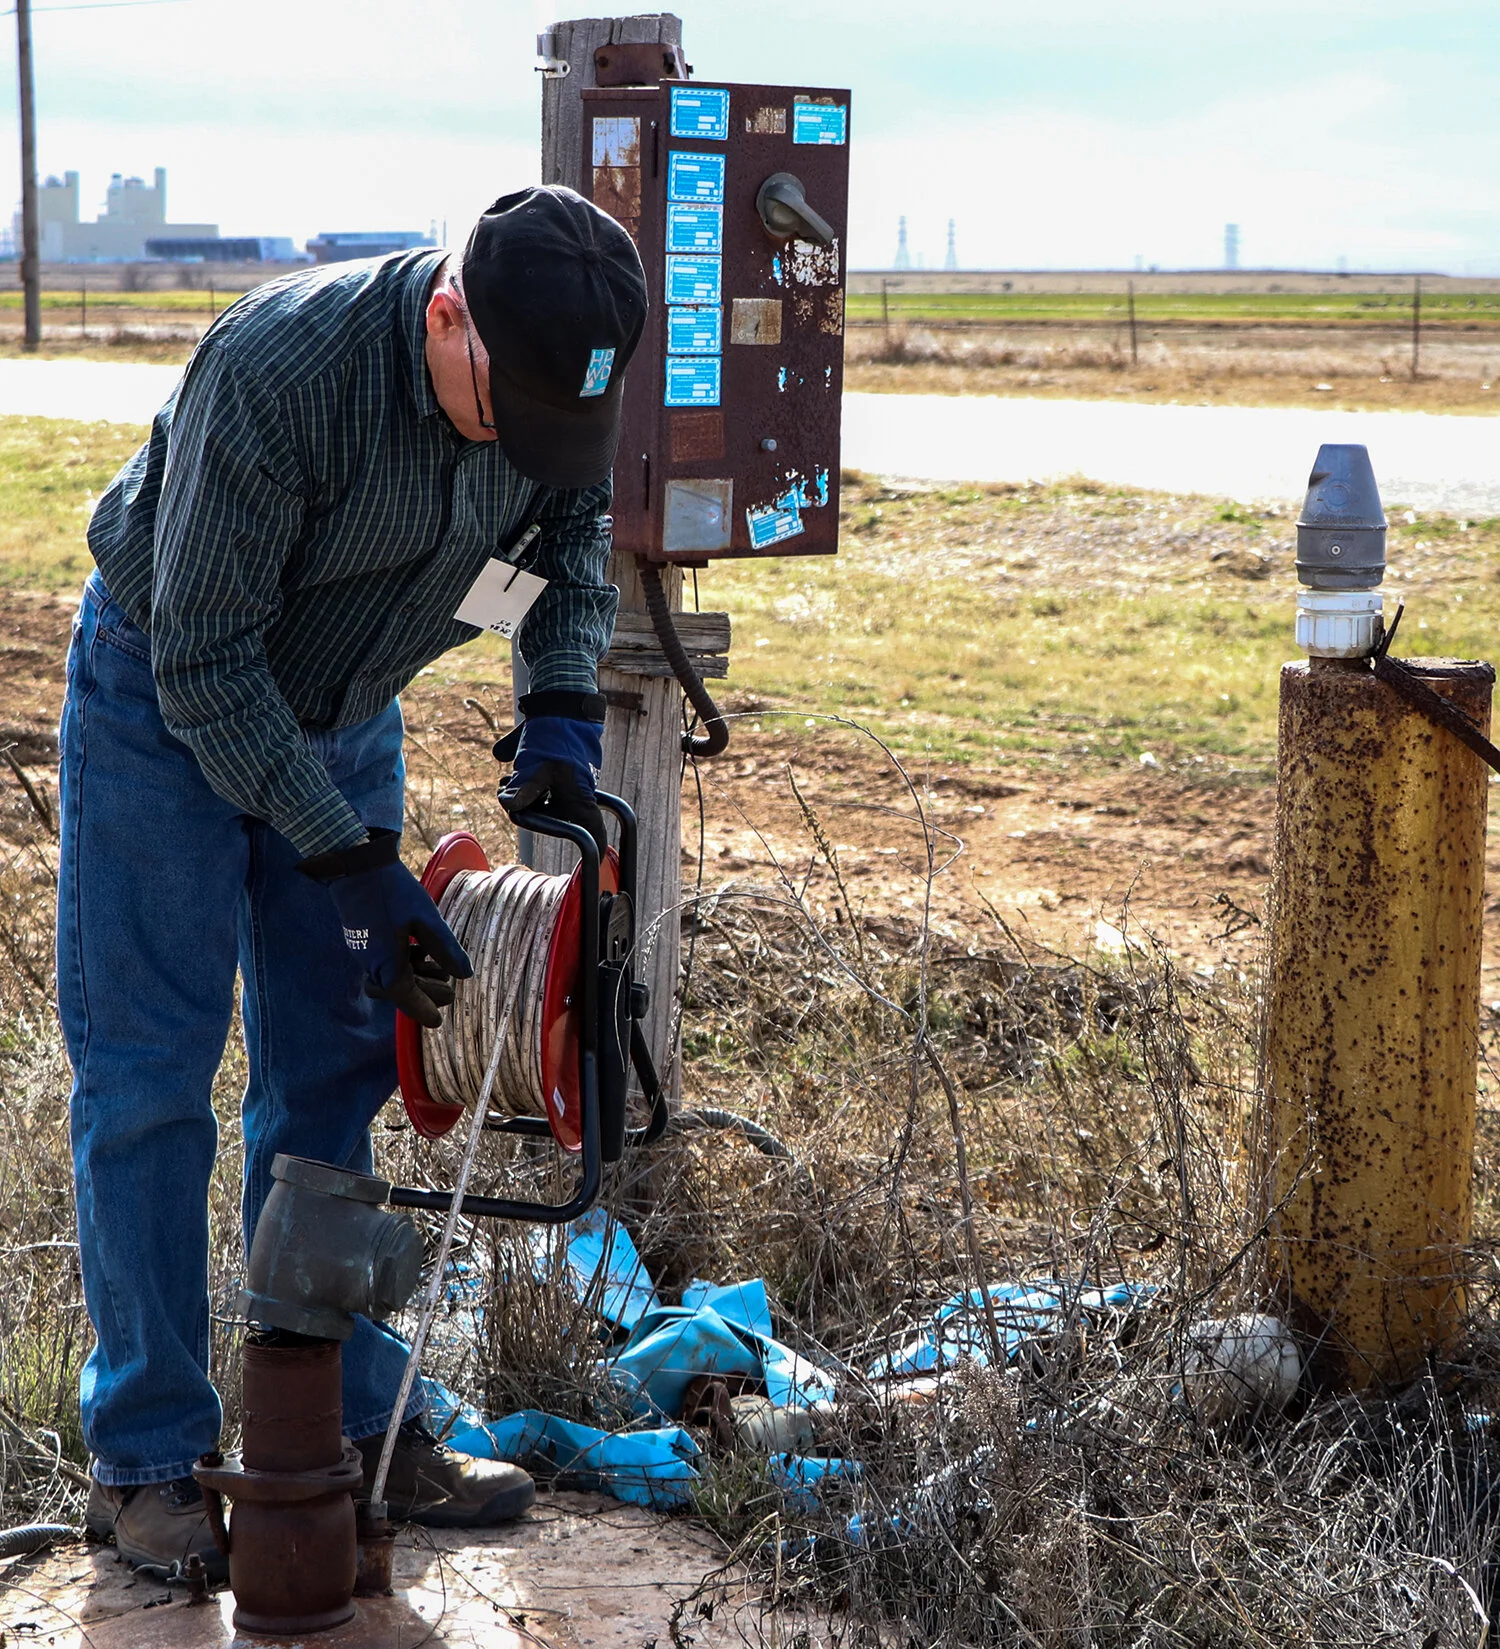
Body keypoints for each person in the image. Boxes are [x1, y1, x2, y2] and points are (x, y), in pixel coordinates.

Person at [59, 185, 647, 1579]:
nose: (533, 445)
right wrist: (347, 861)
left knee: (335, 1074)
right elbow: (206, 659)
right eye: (512, 411)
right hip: (168, 704)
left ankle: (347, 1420)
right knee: (148, 1079)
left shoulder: (546, 383)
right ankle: (144, 1459)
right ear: (450, 317)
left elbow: (563, 551)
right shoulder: (280, 371)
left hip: (347, 709)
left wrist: (558, 714)